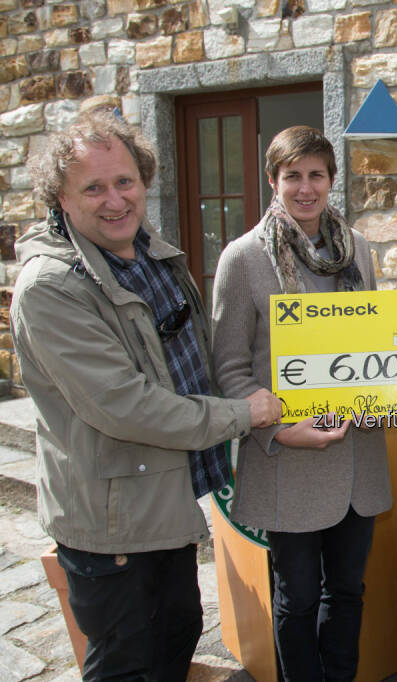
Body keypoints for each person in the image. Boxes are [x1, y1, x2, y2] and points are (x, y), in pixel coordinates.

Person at [10, 111, 282, 680]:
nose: (115, 200)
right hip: (111, 520)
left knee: (175, 638)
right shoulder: (52, 287)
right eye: (94, 188)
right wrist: (243, 413)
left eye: (125, 181)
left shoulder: (150, 254)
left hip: (163, 499)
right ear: (60, 198)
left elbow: (192, 355)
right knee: (127, 663)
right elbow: (125, 405)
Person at [211, 125, 392, 681]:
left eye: (316, 175)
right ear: (273, 180)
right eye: (293, 176)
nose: (306, 188)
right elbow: (229, 368)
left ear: (332, 180)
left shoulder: (357, 249)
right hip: (288, 462)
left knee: (348, 591)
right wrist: (277, 430)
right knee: (297, 599)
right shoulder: (243, 258)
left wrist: (391, 392)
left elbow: (372, 344)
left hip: (357, 459)